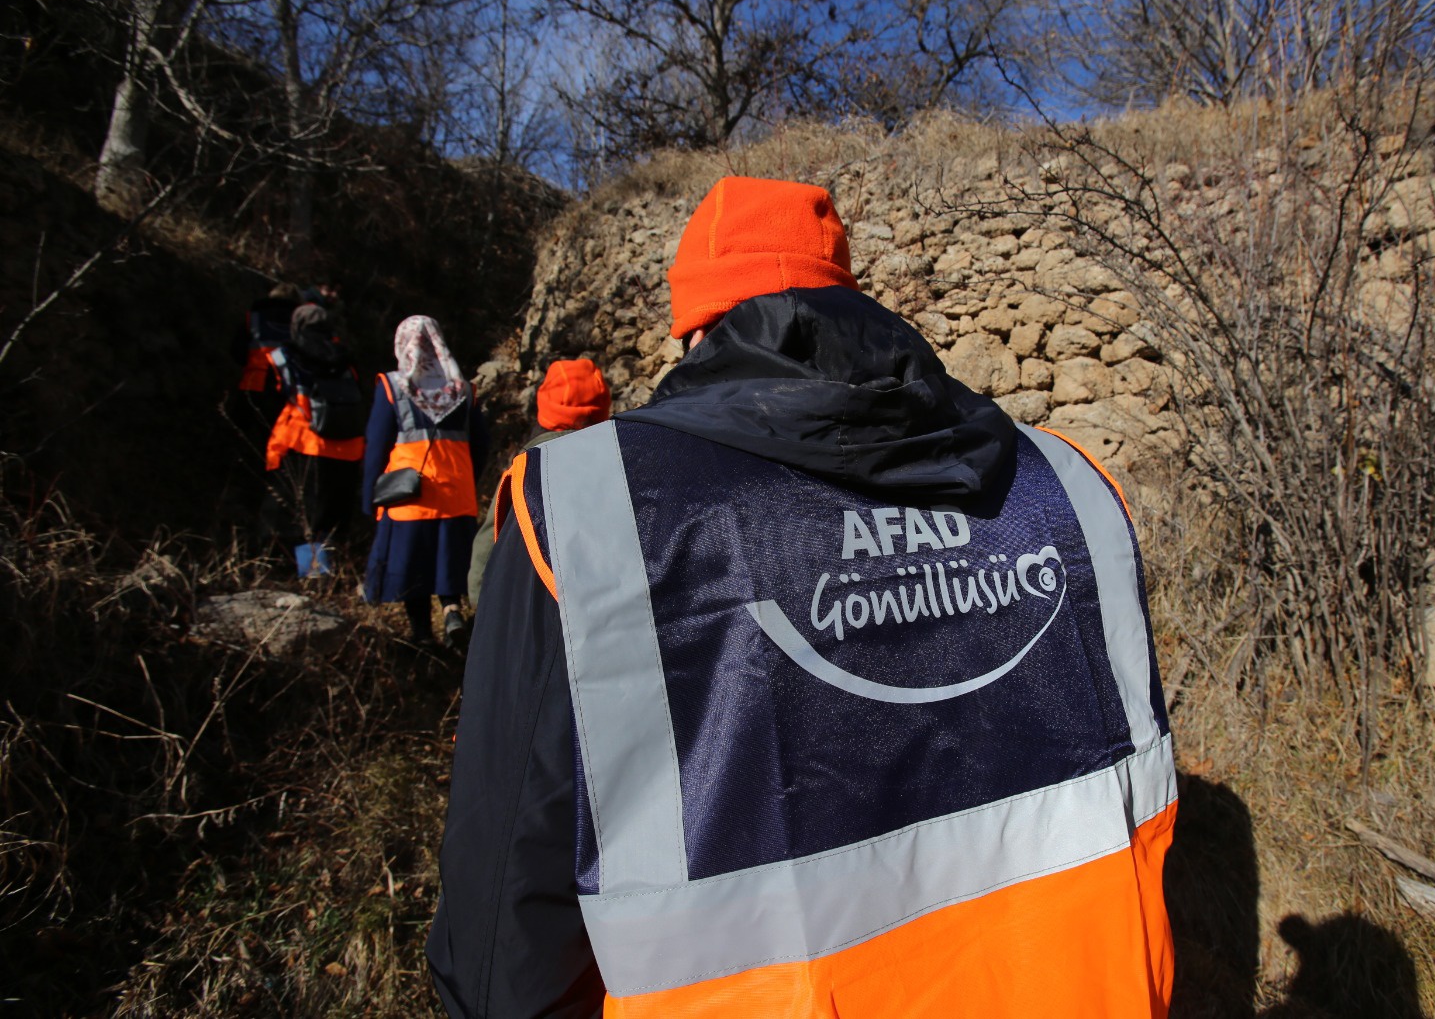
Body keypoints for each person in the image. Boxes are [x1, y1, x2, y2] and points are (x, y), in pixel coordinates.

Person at [428, 177, 1177, 1017]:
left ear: (697, 327)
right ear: (849, 299)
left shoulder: (594, 513)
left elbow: (505, 919)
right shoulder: (1068, 486)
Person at [363, 315, 490, 646]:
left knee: (412, 567)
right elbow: (481, 444)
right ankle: (451, 611)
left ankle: (421, 635)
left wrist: (369, 497)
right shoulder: (463, 389)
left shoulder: (393, 386)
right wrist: (467, 481)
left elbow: (376, 445)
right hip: (457, 494)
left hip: (409, 497)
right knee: (450, 559)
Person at [465, 358, 612, 605]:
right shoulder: (613, 465)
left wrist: (480, 602)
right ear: (603, 411)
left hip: (531, 605)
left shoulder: (522, 471)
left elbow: (490, 540)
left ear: (544, 409)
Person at [263, 302, 366, 570]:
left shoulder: (286, 355)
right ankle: (332, 569)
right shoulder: (345, 357)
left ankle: (311, 574)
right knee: (334, 516)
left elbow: (270, 401)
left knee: (305, 517)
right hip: (349, 448)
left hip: (305, 444)